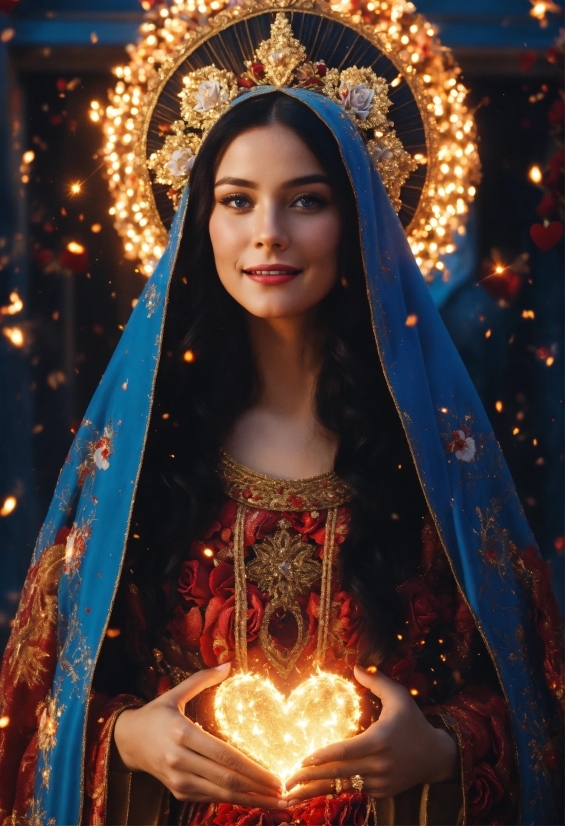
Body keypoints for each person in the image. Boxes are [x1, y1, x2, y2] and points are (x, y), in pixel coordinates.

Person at [0, 11, 562, 826]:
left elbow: (532, 695)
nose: (269, 234)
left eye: (305, 201)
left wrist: (443, 750)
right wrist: (126, 743)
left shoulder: (435, 454)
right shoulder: (143, 456)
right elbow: (36, 701)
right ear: (203, 221)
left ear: (357, 221)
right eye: (237, 200)